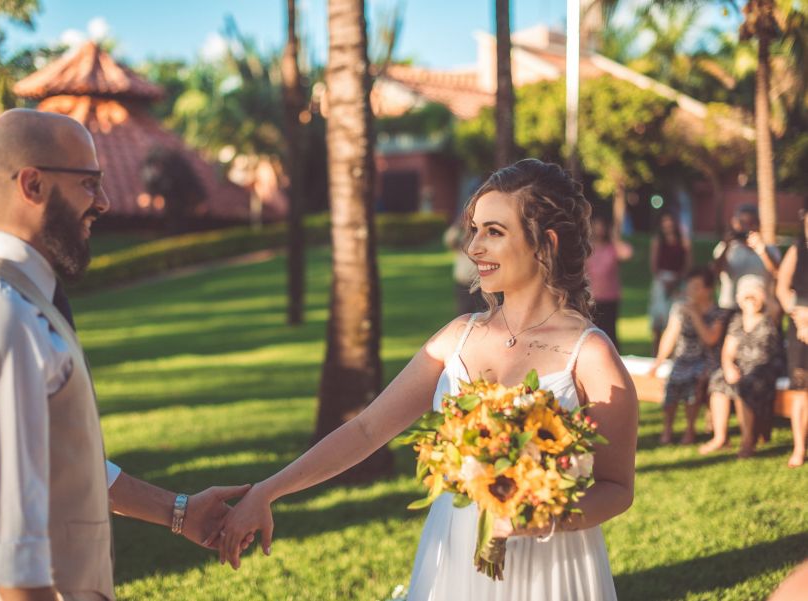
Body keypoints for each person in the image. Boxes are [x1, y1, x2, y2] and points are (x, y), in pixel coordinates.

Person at [212, 160, 639, 600]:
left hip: (551, 570)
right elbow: (366, 429)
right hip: (454, 557)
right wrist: (268, 490)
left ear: (545, 244)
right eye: (474, 230)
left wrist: (542, 519)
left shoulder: (588, 354)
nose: (474, 248)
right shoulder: (457, 337)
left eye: (494, 232)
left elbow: (617, 488)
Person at [0, 109, 250, 601]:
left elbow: (59, 459)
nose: (104, 202)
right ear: (33, 185)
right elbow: (3, 541)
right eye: (89, 184)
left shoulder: (22, 301)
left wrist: (178, 511)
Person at [700, 275, 781, 459]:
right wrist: (728, 366)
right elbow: (728, 351)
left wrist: (762, 292)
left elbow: (773, 303)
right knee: (719, 381)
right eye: (746, 296)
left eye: (755, 295)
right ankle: (720, 437)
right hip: (741, 366)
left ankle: (747, 441)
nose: (751, 300)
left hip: (764, 367)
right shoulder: (737, 320)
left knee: (745, 385)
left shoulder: (771, 316)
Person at [649, 267, 724, 445]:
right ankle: (667, 428)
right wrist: (658, 362)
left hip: (706, 359)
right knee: (672, 382)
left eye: (696, 287)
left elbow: (709, 339)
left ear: (708, 290)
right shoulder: (679, 308)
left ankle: (690, 428)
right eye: (689, 286)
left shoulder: (719, 312)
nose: (690, 291)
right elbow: (670, 335)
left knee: (695, 381)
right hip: (683, 358)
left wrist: (695, 314)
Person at [775, 208, 808, 468]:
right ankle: (799, 447)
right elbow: (782, 287)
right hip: (800, 328)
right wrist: (800, 317)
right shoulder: (797, 251)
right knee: (801, 392)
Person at [713, 204, 781, 315]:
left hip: (761, 308)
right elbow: (715, 273)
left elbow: (777, 273)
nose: (747, 227)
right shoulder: (724, 247)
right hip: (730, 308)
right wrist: (726, 247)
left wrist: (762, 250)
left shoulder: (770, 250)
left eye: (751, 223)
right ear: (734, 223)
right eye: (742, 223)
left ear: (759, 224)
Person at [586, 214, 633, 349]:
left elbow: (627, 253)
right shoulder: (588, 248)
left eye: (602, 226)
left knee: (610, 333)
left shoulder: (612, 248)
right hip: (592, 299)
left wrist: (614, 238)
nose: (599, 229)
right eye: (596, 225)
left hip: (610, 298)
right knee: (593, 334)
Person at [648, 212, 691, 355]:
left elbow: (688, 263)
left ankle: (674, 352)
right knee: (658, 318)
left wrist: (677, 279)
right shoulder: (658, 240)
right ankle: (656, 351)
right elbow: (654, 265)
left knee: (675, 318)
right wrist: (663, 280)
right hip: (662, 280)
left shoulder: (683, 240)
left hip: (678, 281)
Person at [444, 219, 484, 315]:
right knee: (464, 313)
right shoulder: (461, 237)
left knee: (484, 312)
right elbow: (448, 240)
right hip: (464, 283)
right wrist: (457, 225)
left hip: (480, 284)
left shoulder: (481, 237)